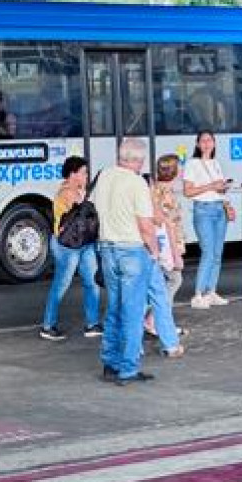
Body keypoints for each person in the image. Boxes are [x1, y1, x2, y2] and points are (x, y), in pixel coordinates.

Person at [92, 137, 159, 386]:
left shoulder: (105, 176)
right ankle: (128, 369)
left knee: (114, 308)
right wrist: (154, 251)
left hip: (107, 249)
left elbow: (96, 210)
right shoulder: (136, 183)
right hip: (131, 249)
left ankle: (110, 362)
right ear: (139, 160)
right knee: (132, 312)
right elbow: (145, 225)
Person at [38, 156, 103, 343]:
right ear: (73, 174)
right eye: (83, 172)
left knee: (91, 282)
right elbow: (82, 211)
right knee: (61, 284)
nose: (86, 176)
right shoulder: (67, 192)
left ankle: (92, 324)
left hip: (84, 243)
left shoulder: (80, 190)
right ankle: (48, 326)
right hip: (68, 246)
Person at [181, 131, 238, 306]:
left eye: (210, 140)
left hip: (219, 209)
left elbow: (218, 190)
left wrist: (226, 196)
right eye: (203, 140)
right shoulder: (192, 164)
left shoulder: (215, 163)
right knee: (207, 252)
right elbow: (188, 191)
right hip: (203, 210)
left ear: (214, 143)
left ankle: (211, 291)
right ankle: (198, 294)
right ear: (198, 144)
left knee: (217, 254)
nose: (206, 143)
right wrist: (211, 185)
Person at [144, 155, 188, 356]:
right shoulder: (167, 194)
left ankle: (157, 320)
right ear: (174, 171)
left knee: (161, 282)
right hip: (166, 246)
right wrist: (175, 253)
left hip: (157, 244)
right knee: (173, 280)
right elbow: (168, 225)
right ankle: (155, 320)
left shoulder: (153, 189)